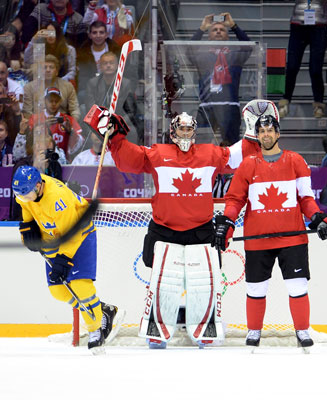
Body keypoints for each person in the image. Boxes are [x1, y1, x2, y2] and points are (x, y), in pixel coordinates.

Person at [86, 107, 259, 348]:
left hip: (201, 230)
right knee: (162, 284)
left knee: (204, 284)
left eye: (189, 129)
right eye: (181, 128)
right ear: (172, 131)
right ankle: (157, 332)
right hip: (164, 229)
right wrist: (114, 135)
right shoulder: (158, 153)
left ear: (195, 132)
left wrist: (253, 132)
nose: (185, 133)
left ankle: (204, 331)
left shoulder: (210, 154)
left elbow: (239, 155)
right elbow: (129, 160)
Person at [216, 114, 327, 348]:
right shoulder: (248, 165)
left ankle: (302, 330)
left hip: (292, 239)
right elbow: (234, 200)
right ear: (257, 135)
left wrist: (319, 220)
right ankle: (254, 332)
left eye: (270, 130)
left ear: (278, 133)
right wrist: (227, 222)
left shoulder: (295, 161)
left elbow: (306, 199)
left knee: (297, 286)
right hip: (257, 240)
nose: (266, 135)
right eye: (261, 132)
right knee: (255, 288)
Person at [12, 165, 121, 354]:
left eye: (27, 193)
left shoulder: (57, 199)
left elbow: (72, 232)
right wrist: (27, 226)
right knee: (58, 291)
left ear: (38, 186)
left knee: (80, 286)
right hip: (53, 236)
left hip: (80, 234)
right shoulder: (25, 191)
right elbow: (25, 205)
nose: (24, 197)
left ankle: (96, 330)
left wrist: (63, 259)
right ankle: (102, 309)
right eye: (21, 194)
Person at [190, 12, 252, 145]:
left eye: (222, 29)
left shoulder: (235, 55)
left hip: (229, 106)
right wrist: (202, 28)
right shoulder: (202, 56)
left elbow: (248, 46)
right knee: (201, 146)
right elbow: (188, 51)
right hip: (207, 106)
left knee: (232, 146)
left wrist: (233, 26)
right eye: (214, 30)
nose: (218, 31)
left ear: (228, 36)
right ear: (208, 36)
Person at [277, 0, 327, 119]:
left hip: (319, 24)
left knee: (316, 69)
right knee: (292, 66)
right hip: (298, 23)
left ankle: (318, 104)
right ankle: (285, 100)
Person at [23, 54, 80, 121]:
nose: (48, 70)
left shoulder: (67, 86)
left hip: (62, 124)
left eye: (51, 67)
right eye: (45, 67)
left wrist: (72, 123)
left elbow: (74, 109)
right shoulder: (29, 88)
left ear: (57, 72)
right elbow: (27, 112)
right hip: (39, 124)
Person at [76, 21, 121, 94]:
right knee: (81, 94)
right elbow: (83, 77)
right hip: (91, 89)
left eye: (101, 32)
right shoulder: (83, 52)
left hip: (113, 87)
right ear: (90, 35)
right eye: (94, 33)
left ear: (106, 35)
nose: (98, 35)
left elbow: (123, 72)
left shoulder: (115, 50)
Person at [21, 0, 87, 49]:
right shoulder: (41, 9)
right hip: (41, 55)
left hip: (65, 58)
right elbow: (26, 34)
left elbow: (82, 47)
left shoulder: (78, 19)